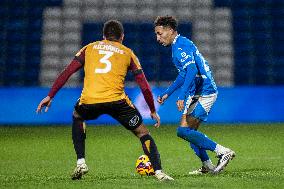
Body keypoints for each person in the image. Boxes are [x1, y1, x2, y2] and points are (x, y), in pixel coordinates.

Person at [36, 20, 173, 181]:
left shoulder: (89, 48)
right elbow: (144, 86)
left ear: (103, 36)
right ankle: (159, 172)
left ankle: (81, 162)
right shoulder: (128, 53)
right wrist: (152, 110)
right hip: (117, 102)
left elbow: (68, 72)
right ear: (122, 36)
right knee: (143, 133)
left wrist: (50, 95)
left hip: (90, 100)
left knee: (78, 116)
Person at [154, 16, 235, 174]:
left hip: (205, 91)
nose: (157, 38)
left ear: (170, 31)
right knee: (188, 133)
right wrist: (168, 93)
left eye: (159, 33)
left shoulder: (180, 46)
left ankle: (223, 152)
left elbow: (192, 70)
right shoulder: (178, 44)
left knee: (184, 131)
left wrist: (182, 95)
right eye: (156, 34)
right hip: (196, 91)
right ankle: (207, 165)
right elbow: (184, 74)